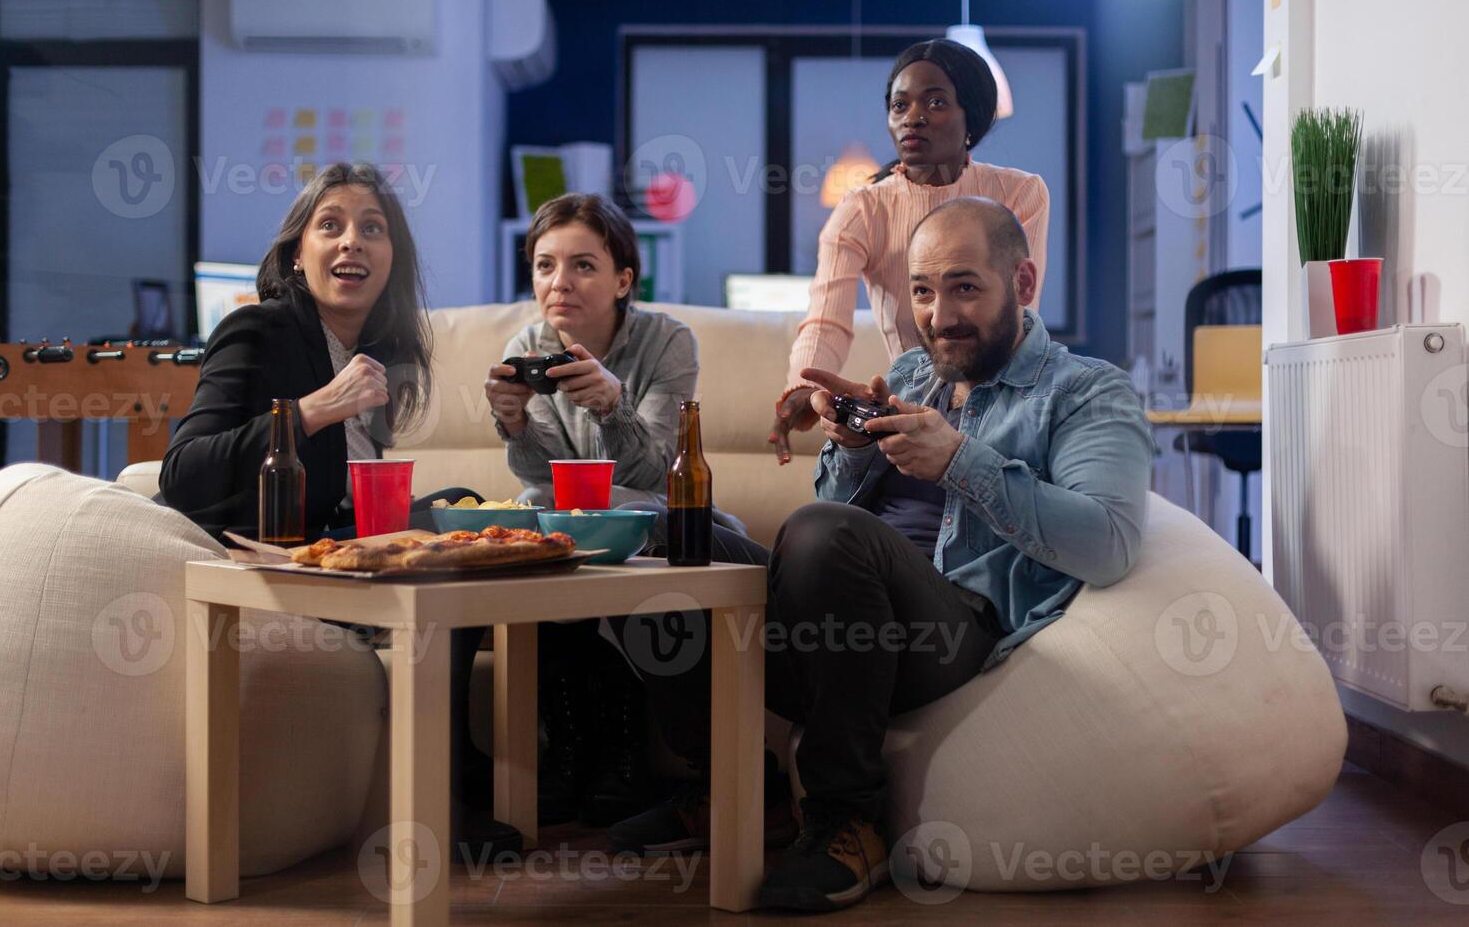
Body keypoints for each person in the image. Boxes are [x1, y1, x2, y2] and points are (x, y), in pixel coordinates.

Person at [608, 197, 1152, 913]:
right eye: (923, 291)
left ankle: (847, 818)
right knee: (648, 531)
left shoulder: (1086, 391)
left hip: (952, 628)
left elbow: (1109, 543)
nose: (938, 314)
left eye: (964, 286)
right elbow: (839, 511)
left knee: (821, 532)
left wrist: (960, 459)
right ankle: (736, 788)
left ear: (1021, 284)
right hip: (838, 638)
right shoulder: (911, 379)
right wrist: (850, 449)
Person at [160, 161, 519, 861]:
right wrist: (317, 409)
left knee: (467, 523)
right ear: (299, 253)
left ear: (393, 259)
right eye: (331, 226)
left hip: (329, 550)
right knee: (440, 569)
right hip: (261, 565)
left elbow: (346, 498)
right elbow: (183, 472)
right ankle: (445, 789)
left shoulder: (373, 353)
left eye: (372, 229)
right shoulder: (257, 331)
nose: (352, 242)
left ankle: (464, 762)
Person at [483, 193, 752, 826]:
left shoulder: (667, 342)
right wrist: (515, 422)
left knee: (631, 515)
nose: (560, 283)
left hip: (665, 517)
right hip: (575, 521)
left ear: (623, 279)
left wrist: (613, 405)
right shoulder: (530, 342)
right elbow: (543, 479)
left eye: (582, 265)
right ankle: (579, 748)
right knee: (530, 512)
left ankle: (626, 757)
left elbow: (658, 475)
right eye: (545, 266)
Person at [768, 38, 1052, 465]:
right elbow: (827, 319)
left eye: (935, 103)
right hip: (911, 418)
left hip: (1006, 411)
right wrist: (803, 388)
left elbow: (1018, 316)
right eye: (900, 106)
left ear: (970, 117)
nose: (913, 118)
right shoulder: (863, 208)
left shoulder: (1020, 193)